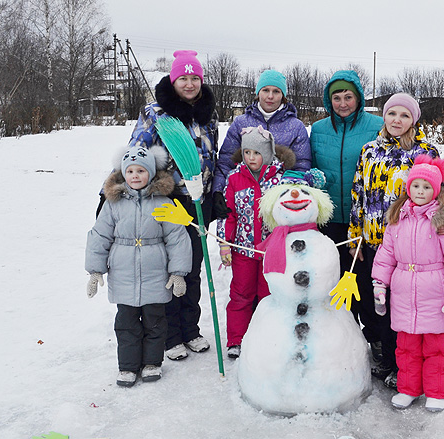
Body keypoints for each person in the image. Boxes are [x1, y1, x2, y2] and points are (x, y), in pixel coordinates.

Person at [348, 93, 444, 388]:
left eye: (404, 115)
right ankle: (389, 360)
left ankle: (406, 370)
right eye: (392, 114)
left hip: (411, 248)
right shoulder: (369, 151)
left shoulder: (425, 152)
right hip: (376, 243)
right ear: (384, 117)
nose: (397, 120)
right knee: (379, 308)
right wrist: (354, 237)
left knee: (405, 312)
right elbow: (358, 194)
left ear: (413, 119)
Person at [127, 50, 218, 361]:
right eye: (183, 78)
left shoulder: (208, 113)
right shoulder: (156, 114)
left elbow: (213, 155)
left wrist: (213, 193)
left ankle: (190, 329)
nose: (189, 84)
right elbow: (136, 154)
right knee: (170, 268)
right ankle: (170, 335)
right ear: (173, 80)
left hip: (199, 202)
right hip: (166, 203)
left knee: (193, 268)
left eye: (195, 78)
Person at [371, 155, 444, 412]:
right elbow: (386, 255)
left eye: (427, 187)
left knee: (436, 348)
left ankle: (436, 392)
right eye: (416, 186)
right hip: (404, 293)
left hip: (435, 294)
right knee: (406, 348)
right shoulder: (398, 219)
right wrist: (379, 284)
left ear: (436, 190)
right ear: (408, 188)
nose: (420, 191)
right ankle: (408, 389)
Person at [85, 145, 192, 387]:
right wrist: (95, 270)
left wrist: (178, 273)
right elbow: (100, 236)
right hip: (123, 275)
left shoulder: (163, 202)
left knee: (155, 322)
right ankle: (128, 367)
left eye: (141, 171)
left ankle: (152, 362)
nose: (135, 176)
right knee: (126, 324)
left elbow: (177, 238)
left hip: (155, 274)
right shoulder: (113, 205)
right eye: (130, 171)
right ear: (123, 174)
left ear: (151, 174)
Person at [309, 70, 384, 361]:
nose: (342, 103)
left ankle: (375, 339)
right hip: (329, 218)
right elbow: (310, 168)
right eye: (336, 97)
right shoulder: (318, 129)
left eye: (348, 97)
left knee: (365, 283)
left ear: (359, 98)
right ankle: (342, 343)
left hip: (365, 220)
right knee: (335, 282)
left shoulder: (377, 125)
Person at [216, 126, 295, 359]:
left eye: (257, 153)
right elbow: (228, 214)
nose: (251, 158)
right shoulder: (234, 178)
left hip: (271, 252)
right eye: (247, 152)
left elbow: (288, 214)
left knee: (268, 296)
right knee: (241, 294)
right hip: (243, 250)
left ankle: (266, 337)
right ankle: (237, 339)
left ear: (268, 154)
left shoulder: (281, 180)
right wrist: (224, 243)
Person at [211, 69, 311, 220]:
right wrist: (218, 191)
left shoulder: (296, 126)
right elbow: (226, 160)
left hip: (279, 206)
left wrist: (293, 196)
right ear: (258, 93)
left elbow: (302, 166)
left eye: (276, 91)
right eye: (265, 90)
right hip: (243, 204)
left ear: (283, 96)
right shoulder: (241, 122)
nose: (270, 96)